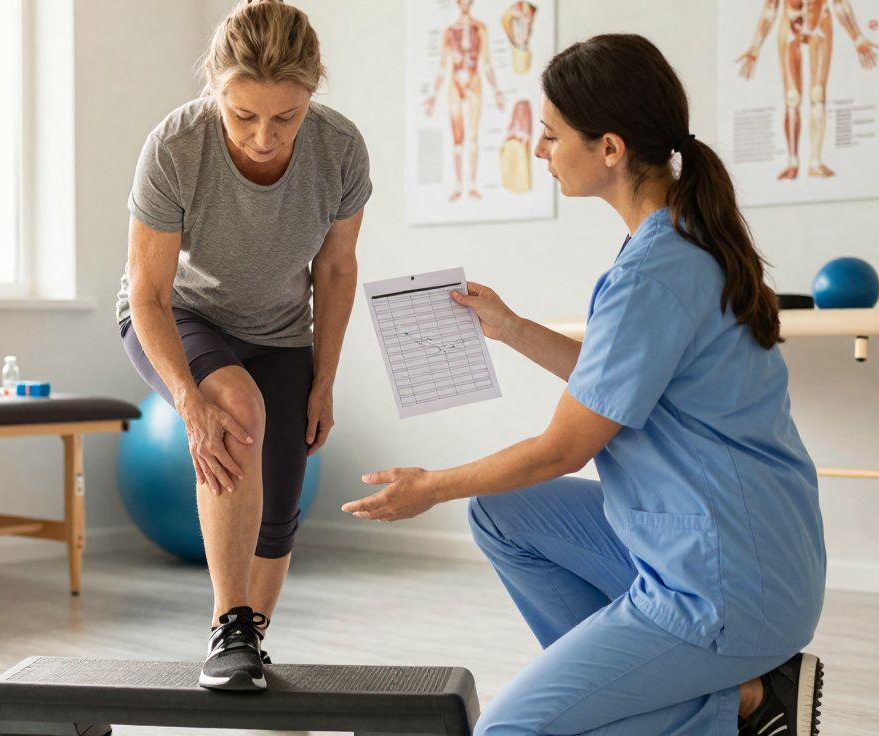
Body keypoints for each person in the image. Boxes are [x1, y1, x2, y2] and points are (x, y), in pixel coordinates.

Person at [345, 34, 825, 736]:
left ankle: (720, 704)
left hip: (724, 584)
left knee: (508, 733)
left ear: (609, 147)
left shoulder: (655, 271)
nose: (540, 150)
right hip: (740, 550)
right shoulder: (680, 239)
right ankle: (738, 697)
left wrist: (431, 486)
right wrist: (511, 327)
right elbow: (624, 384)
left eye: (550, 135)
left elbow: (561, 450)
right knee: (502, 514)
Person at [116, 0, 370, 691]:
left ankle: (248, 644)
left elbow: (337, 268)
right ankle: (227, 622)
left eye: (284, 117)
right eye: (243, 115)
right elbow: (148, 294)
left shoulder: (340, 149)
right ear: (215, 89)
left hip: (282, 329)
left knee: (281, 501)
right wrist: (189, 404)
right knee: (237, 408)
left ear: (311, 93)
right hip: (182, 315)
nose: (264, 137)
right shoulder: (175, 146)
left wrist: (323, 380)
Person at [736, 0, 879, 180]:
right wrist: (755, 47)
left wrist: (857, 37)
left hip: (819, 21)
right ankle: (793, 162)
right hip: (790, 25)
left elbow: (839, 3)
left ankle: (815, 162)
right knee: (792, 97)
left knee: (818, 94)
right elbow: (771, 7)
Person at [423, 0, 505, 202]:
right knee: (458, 138)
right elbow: (443, 65)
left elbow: (486, 62)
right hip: (455, 82)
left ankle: (473, 185)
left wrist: (496, 91)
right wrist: (433, 96)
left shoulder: (480, 28)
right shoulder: (450, 31)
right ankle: (459, 186)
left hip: (474, 81)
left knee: (473, 137)